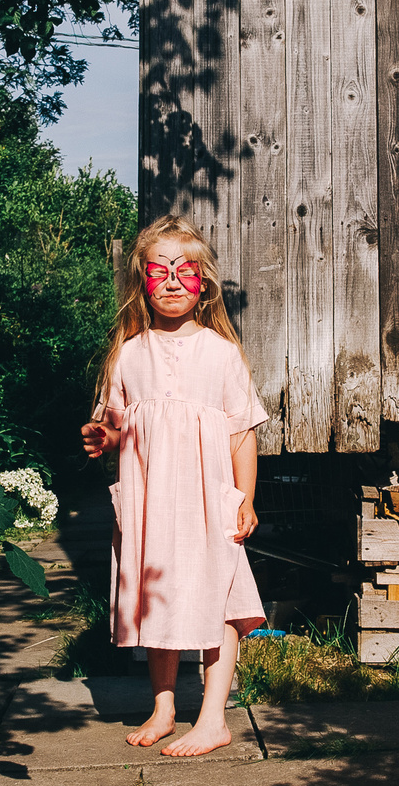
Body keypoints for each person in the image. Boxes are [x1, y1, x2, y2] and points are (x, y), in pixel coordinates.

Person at [79, 216, 266, 757]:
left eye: (183, 271)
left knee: (221, 599)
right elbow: (115, 425)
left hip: (211, 502)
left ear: (202, 283)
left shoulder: (222, 354)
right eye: (158, 271)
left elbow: (241, 434)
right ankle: (163, 707)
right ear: (143, 281)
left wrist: (246, 498)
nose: (171, 282)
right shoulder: (129, 354)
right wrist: (103, 437)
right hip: (150, 504)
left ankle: (212, 718)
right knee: (158, 597)